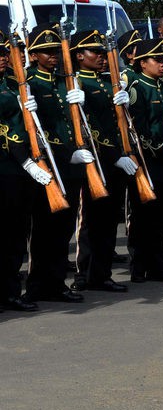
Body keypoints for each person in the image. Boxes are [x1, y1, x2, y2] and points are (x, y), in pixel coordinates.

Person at [23, 23, 89, 304]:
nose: (53, 56)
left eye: (55, 51)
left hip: (70, 163)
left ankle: (57, 282)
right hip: (47, 166)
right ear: (34, 55)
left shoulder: (66, 82)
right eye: (46, 52)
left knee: (63, 228)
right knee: (43, 230)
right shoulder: (28, 83)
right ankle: (38, 284)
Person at [69, 29, 130, 293]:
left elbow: (119, 127)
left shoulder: (108, 83)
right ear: (79, 55)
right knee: (89, 222)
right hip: (93, 160)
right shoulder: (76, 84)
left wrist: (126, 103)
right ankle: (84, 273)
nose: (102, 58)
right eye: (96, 52)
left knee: (107, 221)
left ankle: (102, 273)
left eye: (104, 53)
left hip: (115, 160)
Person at [126, 39, 163, 284]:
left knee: (162, 218)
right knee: (144, 218)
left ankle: (159, 266)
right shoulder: (139, 87)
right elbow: (139, 130)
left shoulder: (162, 87)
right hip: (148, 161)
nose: (162, 64)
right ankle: (140, 267)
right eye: (157, 60)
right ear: (142, 63)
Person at [0, 31, 40, 311]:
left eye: (4, 53)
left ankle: (10, 292)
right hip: (6, 164)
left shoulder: (14, 83)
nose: (3, 58)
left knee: (15, 233)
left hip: (16, 171)